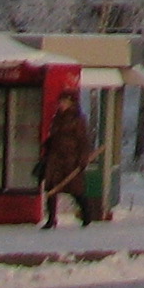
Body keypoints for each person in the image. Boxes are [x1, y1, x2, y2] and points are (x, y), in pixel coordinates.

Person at [35, 93, 93, 229]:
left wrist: (83, 159)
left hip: (70, 160)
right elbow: (55, 136)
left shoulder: (77, 119)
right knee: (51, 189)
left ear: (71, 103)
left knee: (75, 190)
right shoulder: (57, 118)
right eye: (60, 102)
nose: (61, 105)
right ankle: (51, 219)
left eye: (64, 102)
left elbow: (83, 141)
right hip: (55, 159)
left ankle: (87, 215)